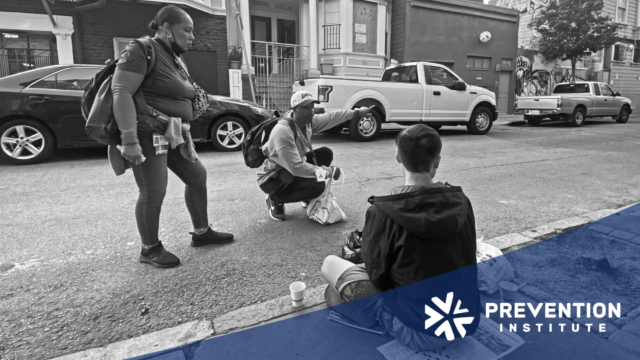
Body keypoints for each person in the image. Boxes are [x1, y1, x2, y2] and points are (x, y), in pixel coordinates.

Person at [321, 124, 480, 351]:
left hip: (418, 332)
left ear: (398, 156)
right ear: (437, 160)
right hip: (464, 323)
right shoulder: (462, 201)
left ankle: (374, 317)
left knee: (330, 265)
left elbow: (377, 276)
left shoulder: (383, 211)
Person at [112, 5, 233, 268]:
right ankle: (150, 248)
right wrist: (129, 140)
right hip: (147, 134)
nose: (192, 37)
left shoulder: (175, 57)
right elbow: (121, 91)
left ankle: (202, 232)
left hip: (174, 133)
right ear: (167, 29)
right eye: (187, 30)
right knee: (153, 191)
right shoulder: (140, 49)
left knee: (197, 176)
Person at [258, 90, 373, 221]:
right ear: (294, 109)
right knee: (317, 186)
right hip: (272, 177)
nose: (311, 111)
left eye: (312, 107)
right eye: (305, 107)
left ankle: (305, 196)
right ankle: (275, 199)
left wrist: (356, 113)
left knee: (325, 153)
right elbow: (296, 167)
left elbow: (331, 117)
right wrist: (328, 171)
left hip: (290, 166)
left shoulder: (308, 123)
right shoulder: (283, 131)